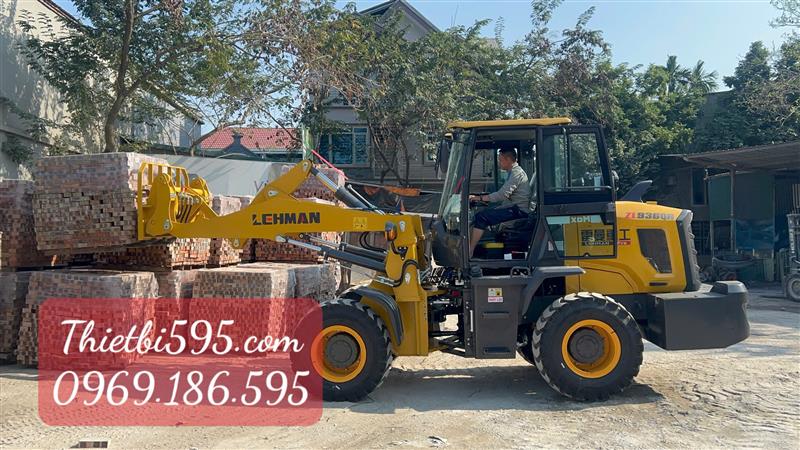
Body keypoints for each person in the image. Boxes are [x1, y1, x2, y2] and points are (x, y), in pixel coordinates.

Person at [469, 148, 530, 256]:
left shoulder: (516, 173)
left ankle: (470, 251)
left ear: (508, 159)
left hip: (519, 211)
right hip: (513, 208)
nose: (499, 163)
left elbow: (502, 195)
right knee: (484, 214)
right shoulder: (512, 172)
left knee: (481, 217)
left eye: (500, 160)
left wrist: (479, 198)